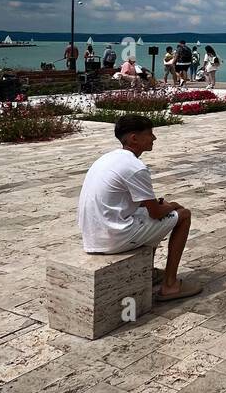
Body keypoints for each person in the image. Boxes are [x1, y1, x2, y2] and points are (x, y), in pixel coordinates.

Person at [77, 114, 200, 302]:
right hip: (112, 237)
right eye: (150, 134)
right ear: (134, 138)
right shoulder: (135, 167)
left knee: (149, 217)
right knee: (182, 215)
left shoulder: (108, 159)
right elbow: (156, 212)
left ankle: (148, 272)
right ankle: (170, 285)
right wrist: (173, 206)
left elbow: (139, 203)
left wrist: (159, 206)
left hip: (94, 234)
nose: (154, 138)